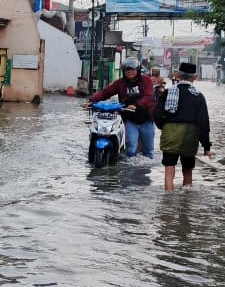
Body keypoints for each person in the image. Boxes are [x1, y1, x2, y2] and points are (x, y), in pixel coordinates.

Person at [154, 62, 212, 190]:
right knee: (187, 168)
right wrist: (206, 146)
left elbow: (157, 115)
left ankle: (168, 199)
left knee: (169, 169)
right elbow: (203, 123)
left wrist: (165, 127)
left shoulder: (168, 93)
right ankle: (187, 199)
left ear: (178, 75)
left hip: (170, 131)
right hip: (190, 134)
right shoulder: (198, 96)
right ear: (195, 77)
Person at [85, 57, 156, 158]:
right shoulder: (120, 83)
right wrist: (92, 101)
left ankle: (144, 171)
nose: (129, 72)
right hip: (130, 120)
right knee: (131, 148)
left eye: (132, 69)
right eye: (127, 70)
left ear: (138, 70)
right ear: (123, 71)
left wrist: (136, 105)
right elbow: (106, 92)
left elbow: (149, 96)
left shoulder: (146, 80)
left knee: (148, 151)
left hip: (147, 119)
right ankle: (129, 171)